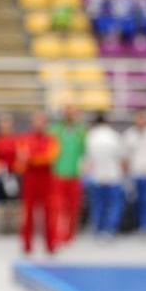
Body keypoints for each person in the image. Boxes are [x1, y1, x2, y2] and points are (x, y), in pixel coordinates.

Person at [16, 111, 58, 254]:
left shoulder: (51, 139)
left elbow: (50, 157)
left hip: (46, 180)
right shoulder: (24, 139)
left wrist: (31, 158)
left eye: (42, 121)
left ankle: (50, 244)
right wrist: (34, 158)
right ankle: (27, 245)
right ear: (32, 123)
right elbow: (21, 158)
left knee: (49, 213)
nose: (39, 124)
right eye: (36, 121)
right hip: (30, 180)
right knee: (27, 213)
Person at [49, 106, 86, 244]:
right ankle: (57, 234)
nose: (70, 115)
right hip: (58, 174)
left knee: (73, 207)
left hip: (74, 175)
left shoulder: (80, 131)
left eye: (72, 112)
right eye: (67, 112)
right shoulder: (54, 130)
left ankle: (70, 235)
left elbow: (84, 151)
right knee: (57, 207)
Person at [83, 114, 125, 237]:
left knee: (98, 205)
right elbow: (121, 159)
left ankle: (98, 229)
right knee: (112, 205)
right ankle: (110, 229)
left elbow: (87, 160)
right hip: (113, 177)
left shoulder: (91, 137)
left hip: (97, 177)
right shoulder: (115, 136)